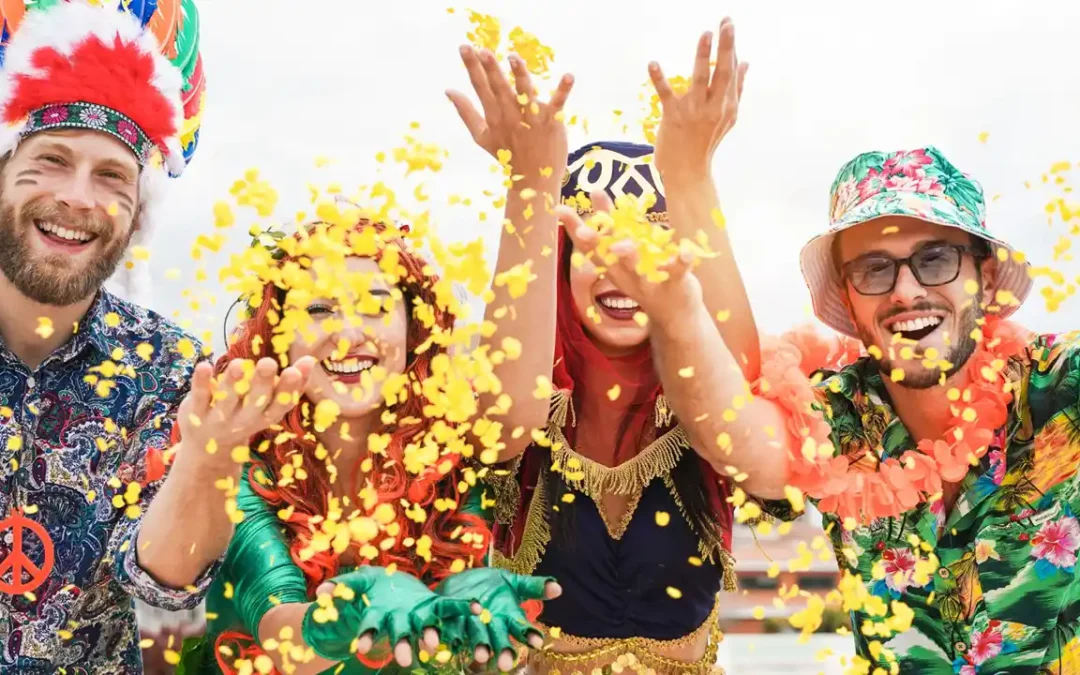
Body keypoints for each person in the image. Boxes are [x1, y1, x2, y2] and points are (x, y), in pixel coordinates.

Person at [447, 20, 778, 675]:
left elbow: (743, 386)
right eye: (594, 236)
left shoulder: (709, 413)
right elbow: (501, 426)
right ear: (561, 260)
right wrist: (531, 187)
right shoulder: (517, 390)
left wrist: (692, 177)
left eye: (651, 234)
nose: (619, 259)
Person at [672, 145, 1080, 672]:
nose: (906, 291)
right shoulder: (838, 412)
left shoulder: (1061, 385)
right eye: (874, 269)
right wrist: (688, 174)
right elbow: (739, 437)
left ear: (984, 275)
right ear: (849, 296)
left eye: (935, 259)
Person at [0, 1, 312, 671]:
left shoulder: (170, 368)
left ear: (138, 211)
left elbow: (161, 579)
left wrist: (208, 459)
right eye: (50, 160)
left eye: (112, 175)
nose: (79, 197)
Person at [177, 218, 560, 675]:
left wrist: (468, 609)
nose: (350, 333)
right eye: (319, 308)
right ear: (277, 334)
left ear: (415, 330)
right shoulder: (242, 455)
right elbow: (280, 633)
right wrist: (346, 620)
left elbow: (516, 410)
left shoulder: (451, 457)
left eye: (376, 308)